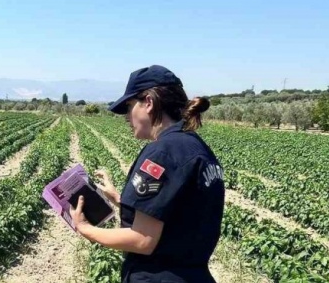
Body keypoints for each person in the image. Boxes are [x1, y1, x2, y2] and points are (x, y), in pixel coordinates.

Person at [70, 65, 224, 283]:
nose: (126, 117)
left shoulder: (163, 151)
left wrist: (84, 228)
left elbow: (142, 240)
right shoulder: (196, 147)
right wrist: (120, 200)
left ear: (149, 103)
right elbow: (177, 216)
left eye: (130, 106)